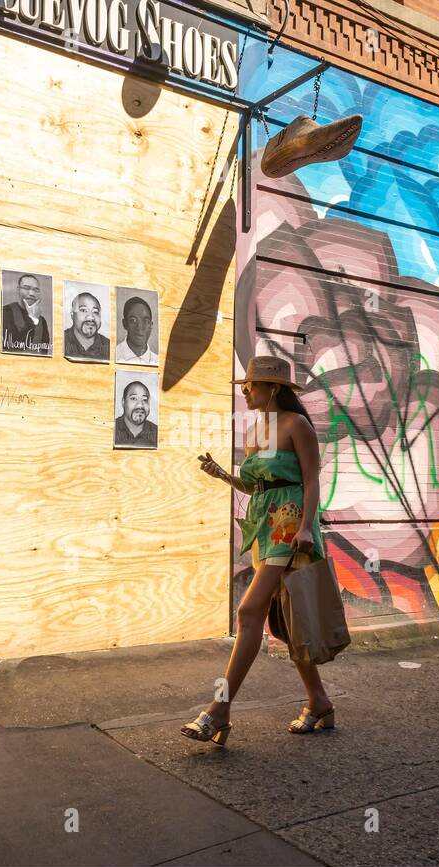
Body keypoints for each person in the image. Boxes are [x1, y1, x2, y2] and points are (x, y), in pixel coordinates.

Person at [182, 355, 330, 746]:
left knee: (249, 612)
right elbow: (257, 486)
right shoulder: (256, 430)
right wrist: (225, 476)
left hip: (290, 526)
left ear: (274, 388)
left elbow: (312, 482)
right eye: (245, 384)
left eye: (252, 384)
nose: (245, 390)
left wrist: (306, 530)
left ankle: (219, 709)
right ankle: (319, 701)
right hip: (263, 527)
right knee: (284, 618)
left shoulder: (296, 425)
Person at [2, 273, 51, 354]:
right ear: (18, 290)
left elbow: (44, 352)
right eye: (26, 288)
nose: (31, 293)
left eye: (36, 290)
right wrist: (33, 319)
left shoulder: (42, 321)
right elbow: (11, 347)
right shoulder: (6, 312)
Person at [63, 291, 110, 362]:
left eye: (95, 312)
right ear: (72, 314)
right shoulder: (61, 340)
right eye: (83, 310)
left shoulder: (108, 346)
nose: (90, 317)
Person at [114, 296, 157, 365]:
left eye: (146, 321)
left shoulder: (157, 360)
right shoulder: (114, 354)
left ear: (151, 325)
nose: (139, 327)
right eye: (133, 320)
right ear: (125, 324)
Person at [114, 380, 157, 447]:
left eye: (144, 400)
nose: (140, 405)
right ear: (123, 402)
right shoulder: (112, 428)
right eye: (134, 398)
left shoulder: (157, 432)